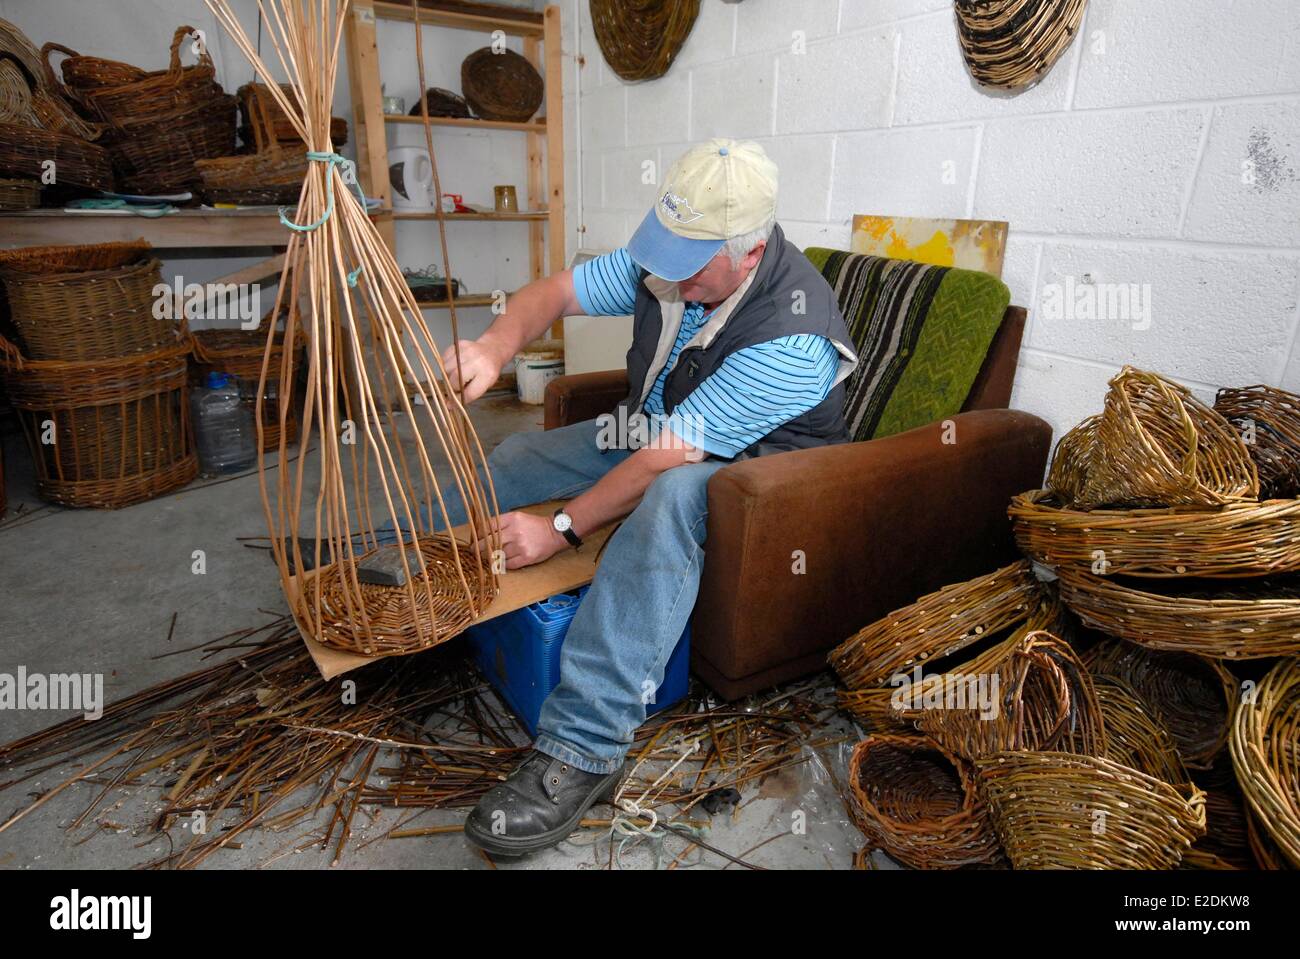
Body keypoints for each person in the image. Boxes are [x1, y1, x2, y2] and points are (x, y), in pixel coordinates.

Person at [444, 138, 858, 857]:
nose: (665, 274)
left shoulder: (793, 337)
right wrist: (494, 346)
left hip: (770, 479)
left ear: (751, 254)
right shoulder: (675, 265)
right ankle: (392, 560)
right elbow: (556, 293)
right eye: (663, 252)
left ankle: (581, 748)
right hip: (662, 427)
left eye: (687, 263)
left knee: (668, 498)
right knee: (518, 453)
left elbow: (663, 460)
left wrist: (562, 529)